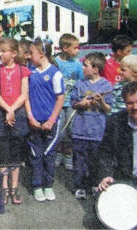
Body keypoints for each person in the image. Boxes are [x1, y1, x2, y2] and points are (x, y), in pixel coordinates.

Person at [0, 38, 31, 205]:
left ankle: (14, 186)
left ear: (13, 53)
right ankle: (4, 187)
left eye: (3, 51)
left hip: (17, 115)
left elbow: (24, 94)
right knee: (3, 153)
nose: (0, 54)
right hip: (0, 114)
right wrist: (7, 109)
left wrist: (12, 110)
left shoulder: (23, 70)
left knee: (15, 153)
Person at [70, 52, 114, 199]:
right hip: (80, 130)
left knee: (95, 160)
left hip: (97, 131)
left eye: (86, 65)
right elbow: (73, 104)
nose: (82, 68)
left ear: (95, 69)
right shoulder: (79, 84)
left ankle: (95, 184)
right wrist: (81, 103)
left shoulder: (106, 85)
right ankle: (80, 186)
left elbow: (108, 109)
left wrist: (100, 102)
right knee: (79, 161)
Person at [25, 38, 64, 202]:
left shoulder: (55, 73)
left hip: (50, 123)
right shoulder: (30, 72)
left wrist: (51, 120)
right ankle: (37, 186)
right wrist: (30, 116)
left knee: (48, 155)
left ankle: (48, 185)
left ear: (42, 54)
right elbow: (25, 96)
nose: (28, 56)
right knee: (36, 155)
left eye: (31, 53)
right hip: (34, 122)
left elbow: (60, 99)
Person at [97, 81, 137, 192]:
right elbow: (105, 152)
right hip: (127, 182)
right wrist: (106, 175)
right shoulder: (115, 122)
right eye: (130, 103)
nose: (135, 107)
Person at [54, 33, 84, 171]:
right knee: (60, 130)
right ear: (65, 48)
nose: (78, 51)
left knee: (71, 129)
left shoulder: (77, 64)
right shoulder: (56, 62)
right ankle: (59, 152)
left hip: (71, 102)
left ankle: (68, 154)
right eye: (75, 48)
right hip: (58, 102)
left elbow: (81, 81)